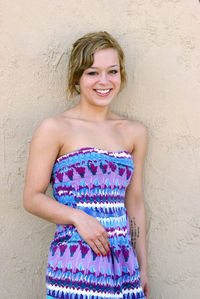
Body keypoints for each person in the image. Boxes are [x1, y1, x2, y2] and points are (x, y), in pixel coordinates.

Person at [23, 31, 150, 299]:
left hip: (123, 265)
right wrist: (78, 217)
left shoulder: (134, 132)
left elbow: (135, 201)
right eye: (93, 72)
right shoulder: (55, 128)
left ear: (121, 75)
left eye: (112, 71)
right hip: (75, 262)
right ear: (77, 78)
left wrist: (143, 268)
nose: (104, 81)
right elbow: (32, 198)